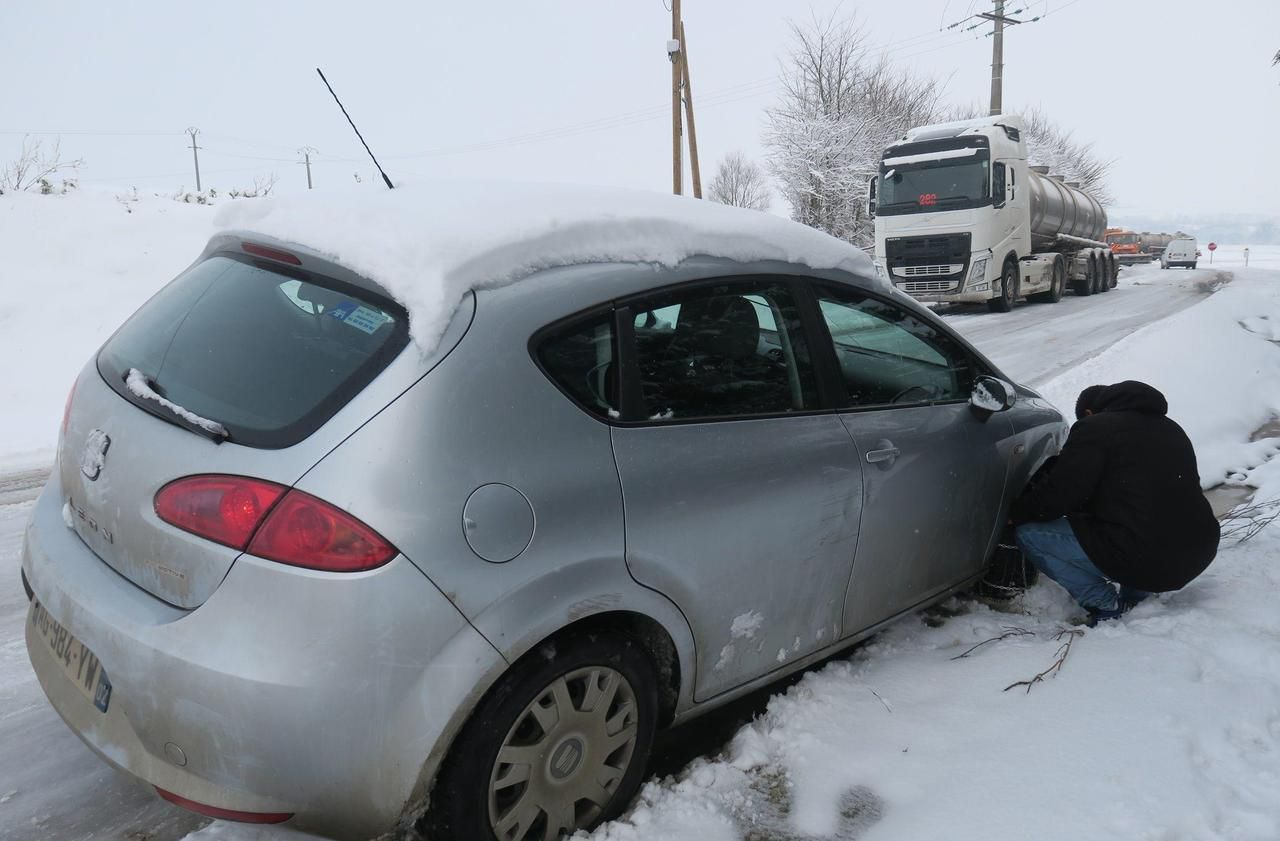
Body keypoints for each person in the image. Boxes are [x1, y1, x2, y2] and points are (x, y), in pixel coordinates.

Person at [1011, 381, 1220, 625]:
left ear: (1089, 412)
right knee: (1140, 522)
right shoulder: (1171, 428)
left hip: (1146, 557)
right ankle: (1137, 595)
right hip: (1197, 552)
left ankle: (1105, 604)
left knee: (1030, 534)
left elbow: (1061, 496)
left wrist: (1017, 512)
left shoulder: (1094, 428)